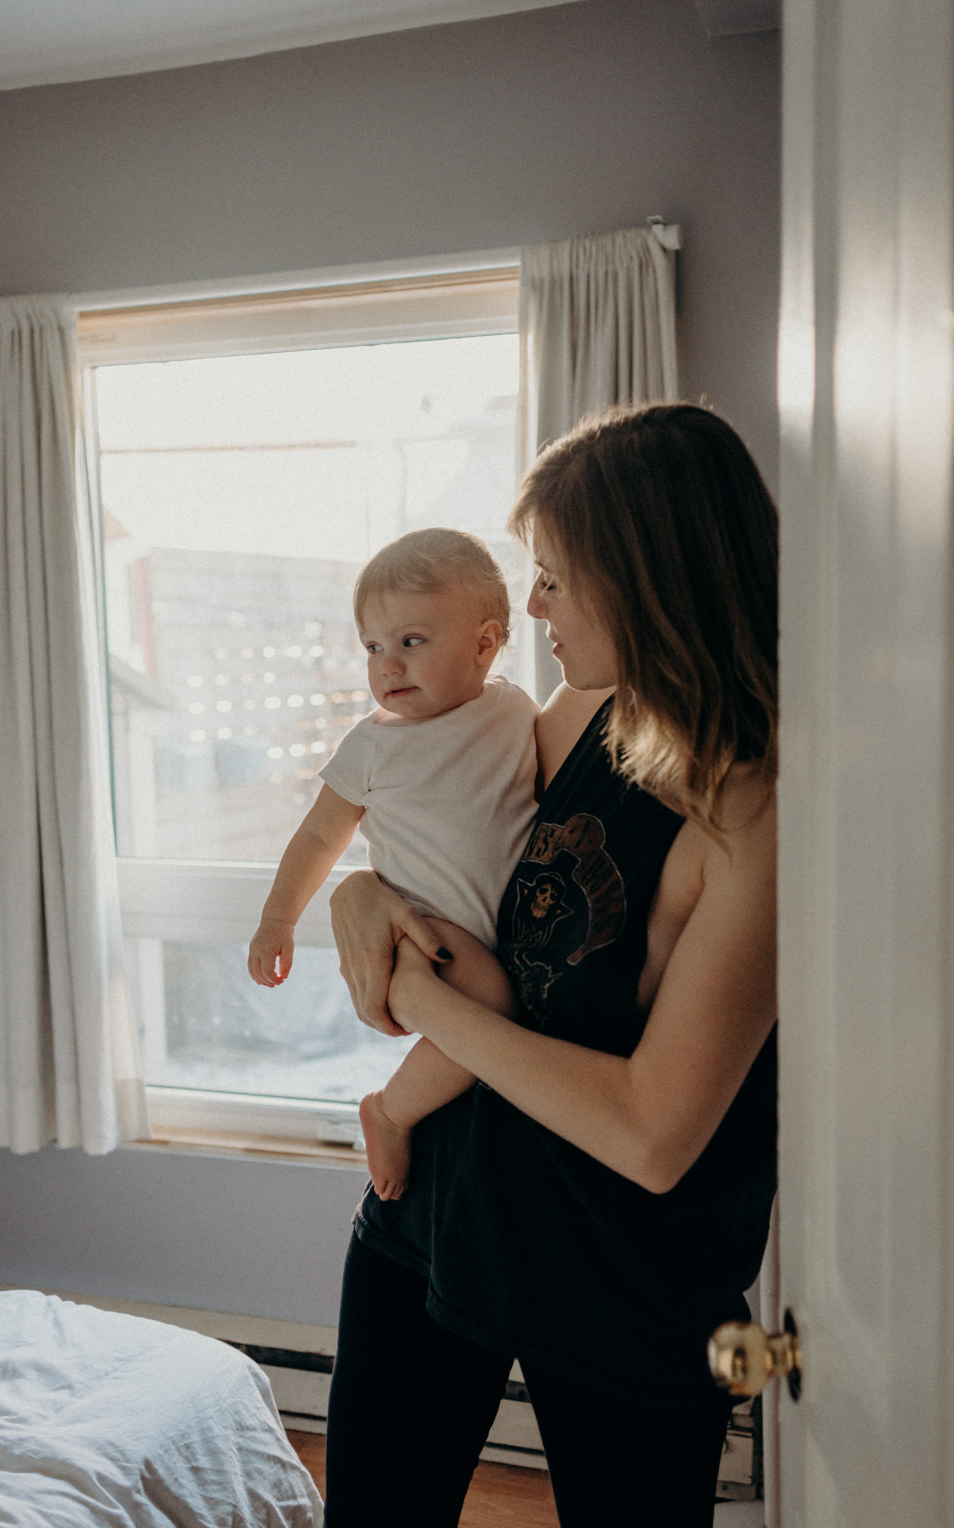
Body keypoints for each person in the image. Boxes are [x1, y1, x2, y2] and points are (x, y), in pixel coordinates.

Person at [322, 403, 779, 1528]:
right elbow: (431, 817)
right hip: (436, 1211)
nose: (532, 608)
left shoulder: (757, 808)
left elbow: (652, 1133)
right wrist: (355, 891)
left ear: (648, 575)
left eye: (557, 579)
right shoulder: (575, 713)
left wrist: (423, 993)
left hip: (617, 1279)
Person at [247, 527, 539, 1200]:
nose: (387, 666)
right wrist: (276, 919)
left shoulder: (516, 711)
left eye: (411, 642)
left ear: (485, 643)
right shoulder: (373, 745)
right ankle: (390, 1110)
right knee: (492, 1007)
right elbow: (319, 835)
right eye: (373, 648)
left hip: (503, 931)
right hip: (427, 928)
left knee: (499, 1018)